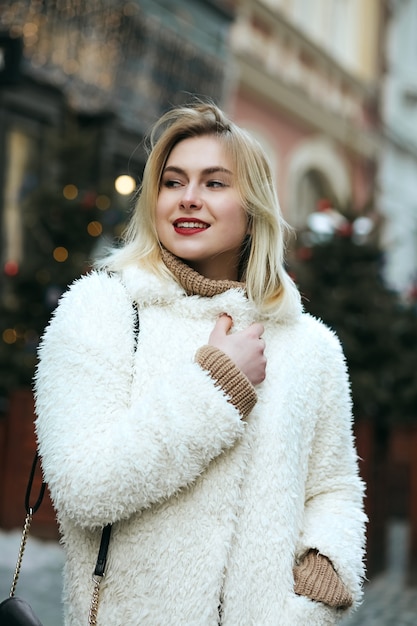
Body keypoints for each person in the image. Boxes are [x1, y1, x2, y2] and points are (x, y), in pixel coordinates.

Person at [34, 101, 367, 626]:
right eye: (172, 182)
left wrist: (324, 579)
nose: (188, 199)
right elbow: (83, 487)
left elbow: (334, 488)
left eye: (215, 183)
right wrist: (215, 386)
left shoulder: (310, 346)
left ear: (253, 203)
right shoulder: (102, 309)